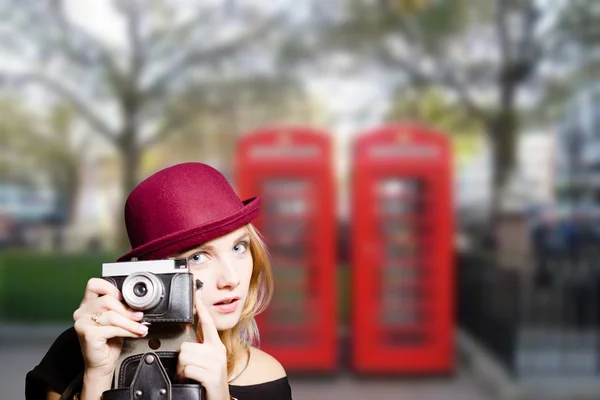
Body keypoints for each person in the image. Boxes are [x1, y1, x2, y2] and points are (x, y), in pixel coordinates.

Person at [26, 162, 292, 400]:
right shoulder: (75, 354)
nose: (231, 279)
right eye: (198, 257)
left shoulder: (264, 377)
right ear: (148, 274)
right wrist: (97, 377)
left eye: (238, 248)